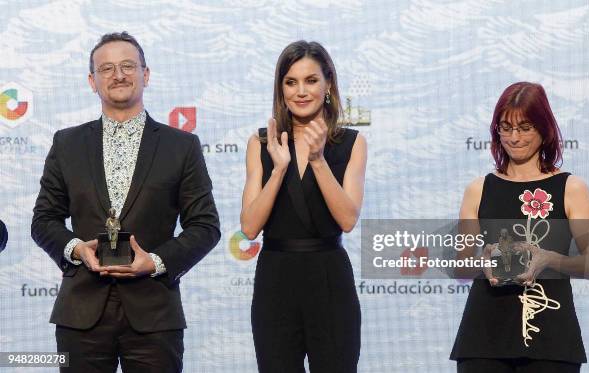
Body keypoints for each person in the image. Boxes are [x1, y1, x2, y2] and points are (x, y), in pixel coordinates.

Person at [31, 32, 220, 373]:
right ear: (92, 81)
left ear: (145, 74)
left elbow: (206, 227)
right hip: (81, 312)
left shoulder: (182, 146)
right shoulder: (67, 143)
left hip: (154, 311)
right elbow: (43, 220)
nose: (118, 75)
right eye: (106, 68)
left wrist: (156, 261)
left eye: (127, 65)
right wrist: (77, 249)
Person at [450, 82, 589, 373]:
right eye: (505, 128)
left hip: (551, 338)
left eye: (525, 127)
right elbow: (461, 268)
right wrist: (482, 261)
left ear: (545, 129)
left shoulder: (571, 188)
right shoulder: (478, 189)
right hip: (483, 337)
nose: (514, 137)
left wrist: (548, 259)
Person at [240, 41, 367, 373]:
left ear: (328, 84)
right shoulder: (261, 142)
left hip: (329, 277)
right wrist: (279, 169)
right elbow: (250, 227)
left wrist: (317, 160)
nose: (301, 91)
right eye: (291, 82)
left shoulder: (351, 142)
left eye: (311, 80)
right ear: (281, 89)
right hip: (275, 278)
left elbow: (347, 219)